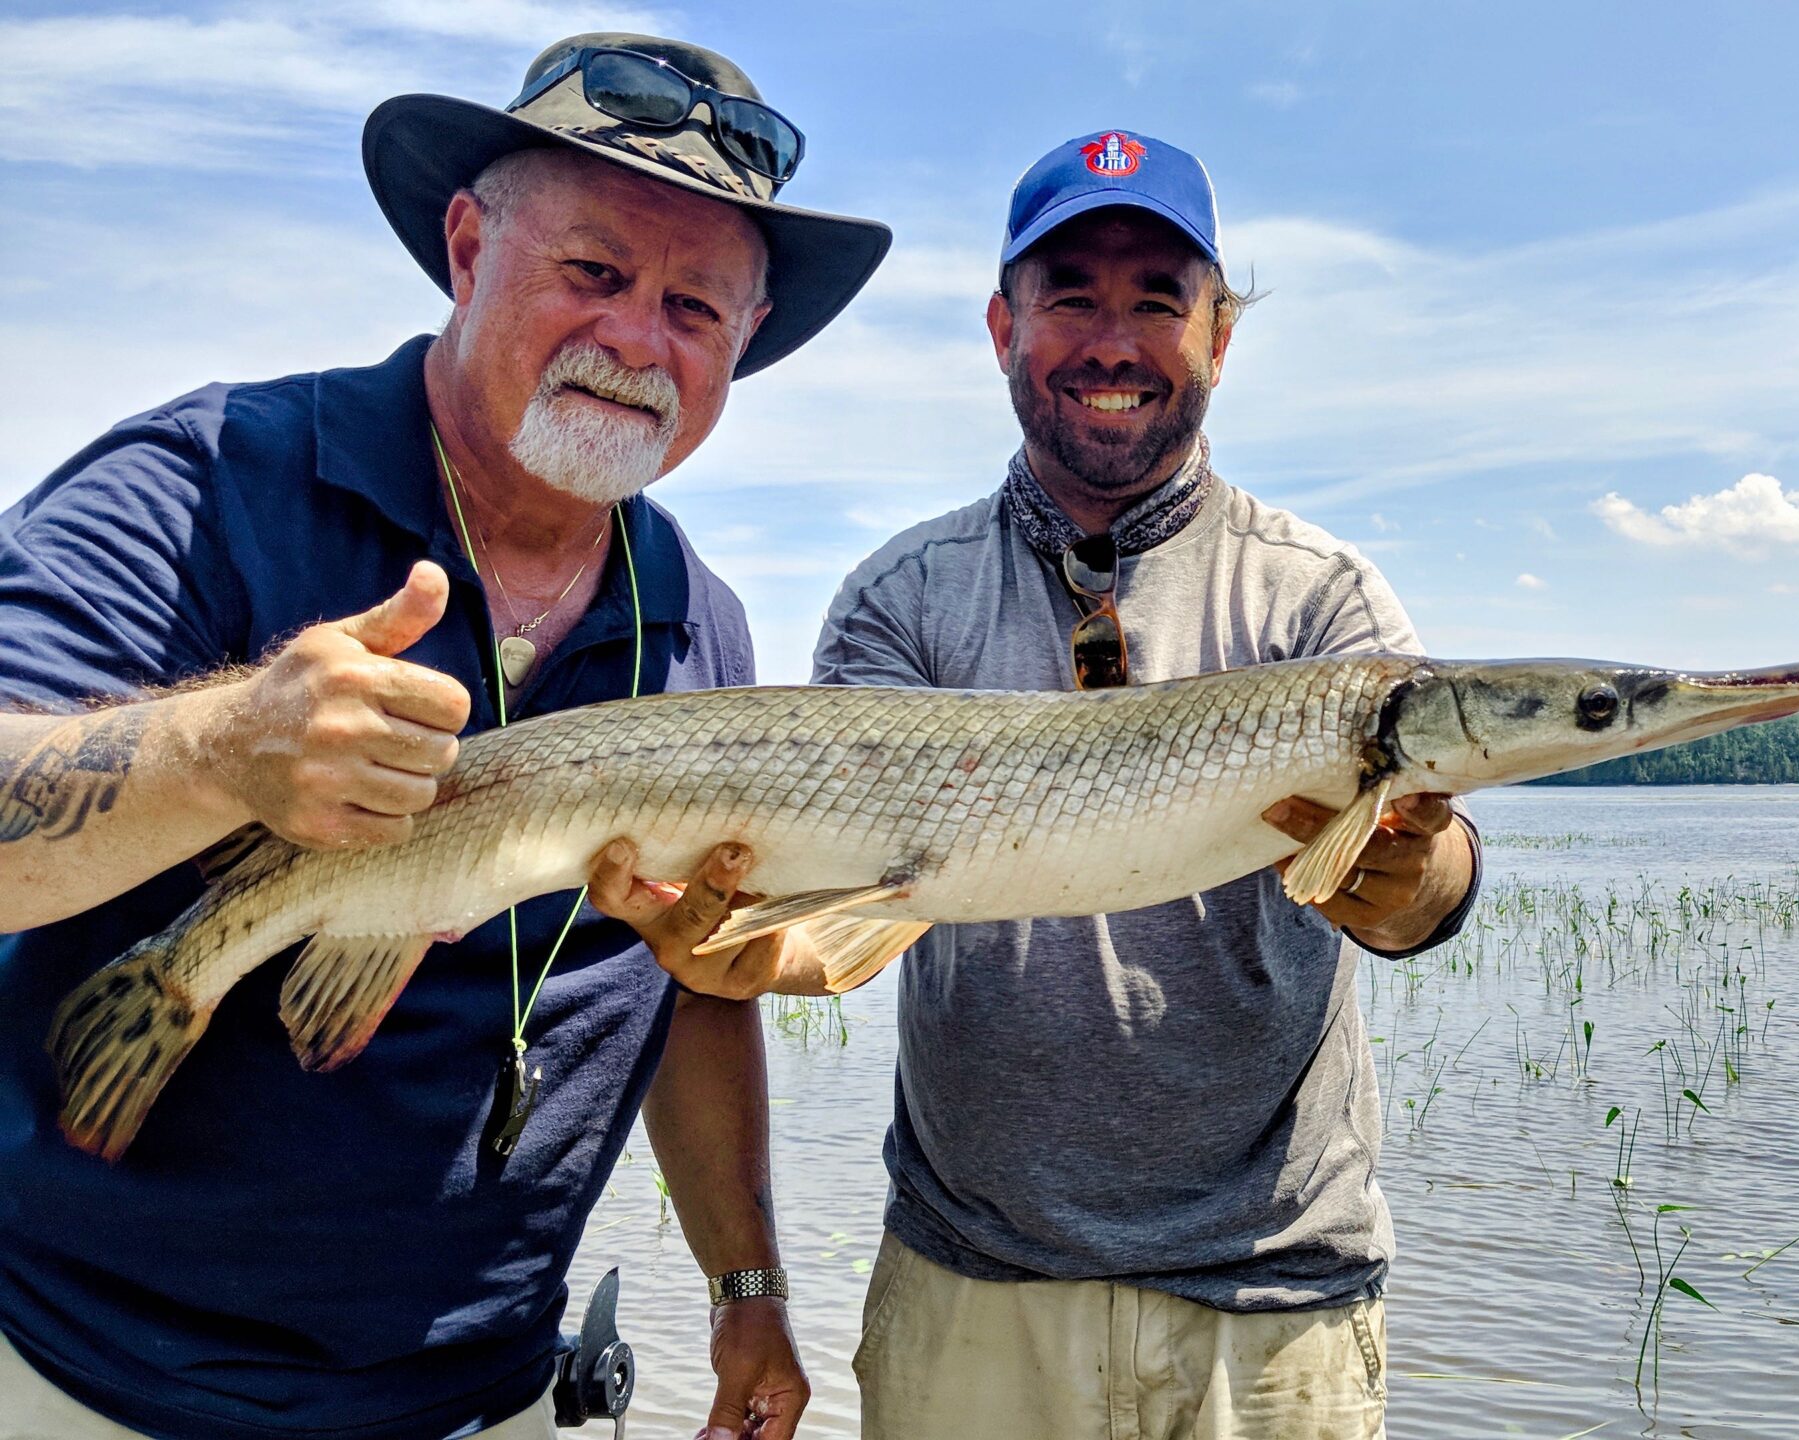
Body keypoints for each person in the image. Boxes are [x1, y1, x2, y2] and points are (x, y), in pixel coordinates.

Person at [0, 34, 890, 1440]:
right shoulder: (209, 481)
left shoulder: (696, 624)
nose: (638, 340)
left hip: (491, 1399)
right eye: (593, 273)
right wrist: (219, 750)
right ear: (469, 246)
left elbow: (690, 994)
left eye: (696, 310)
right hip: (93, 1389)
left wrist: (746, 1287)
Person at [810, 130, 1481, 1439]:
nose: (1111, 342)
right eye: (1071, 296)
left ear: (1219, 336)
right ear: (1003, 326)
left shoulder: (1320, 596)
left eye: (1158, 302)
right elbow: (829, 898)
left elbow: (1419, 896)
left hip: (1271, 1304)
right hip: (970, 1288)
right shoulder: (902, 599)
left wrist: (1417, 874)